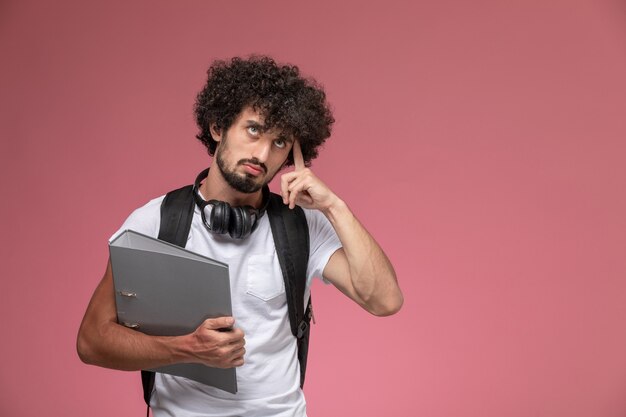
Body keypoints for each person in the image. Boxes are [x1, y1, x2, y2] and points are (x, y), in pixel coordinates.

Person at [77, 56, 403, 417]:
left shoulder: (302, 225)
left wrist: (334, 207)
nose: (262, 154)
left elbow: (384, 300)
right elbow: (92, 341)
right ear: (218, 127)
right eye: (253, 130)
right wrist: (186, 349)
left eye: (280, 142)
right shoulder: (154, 221)